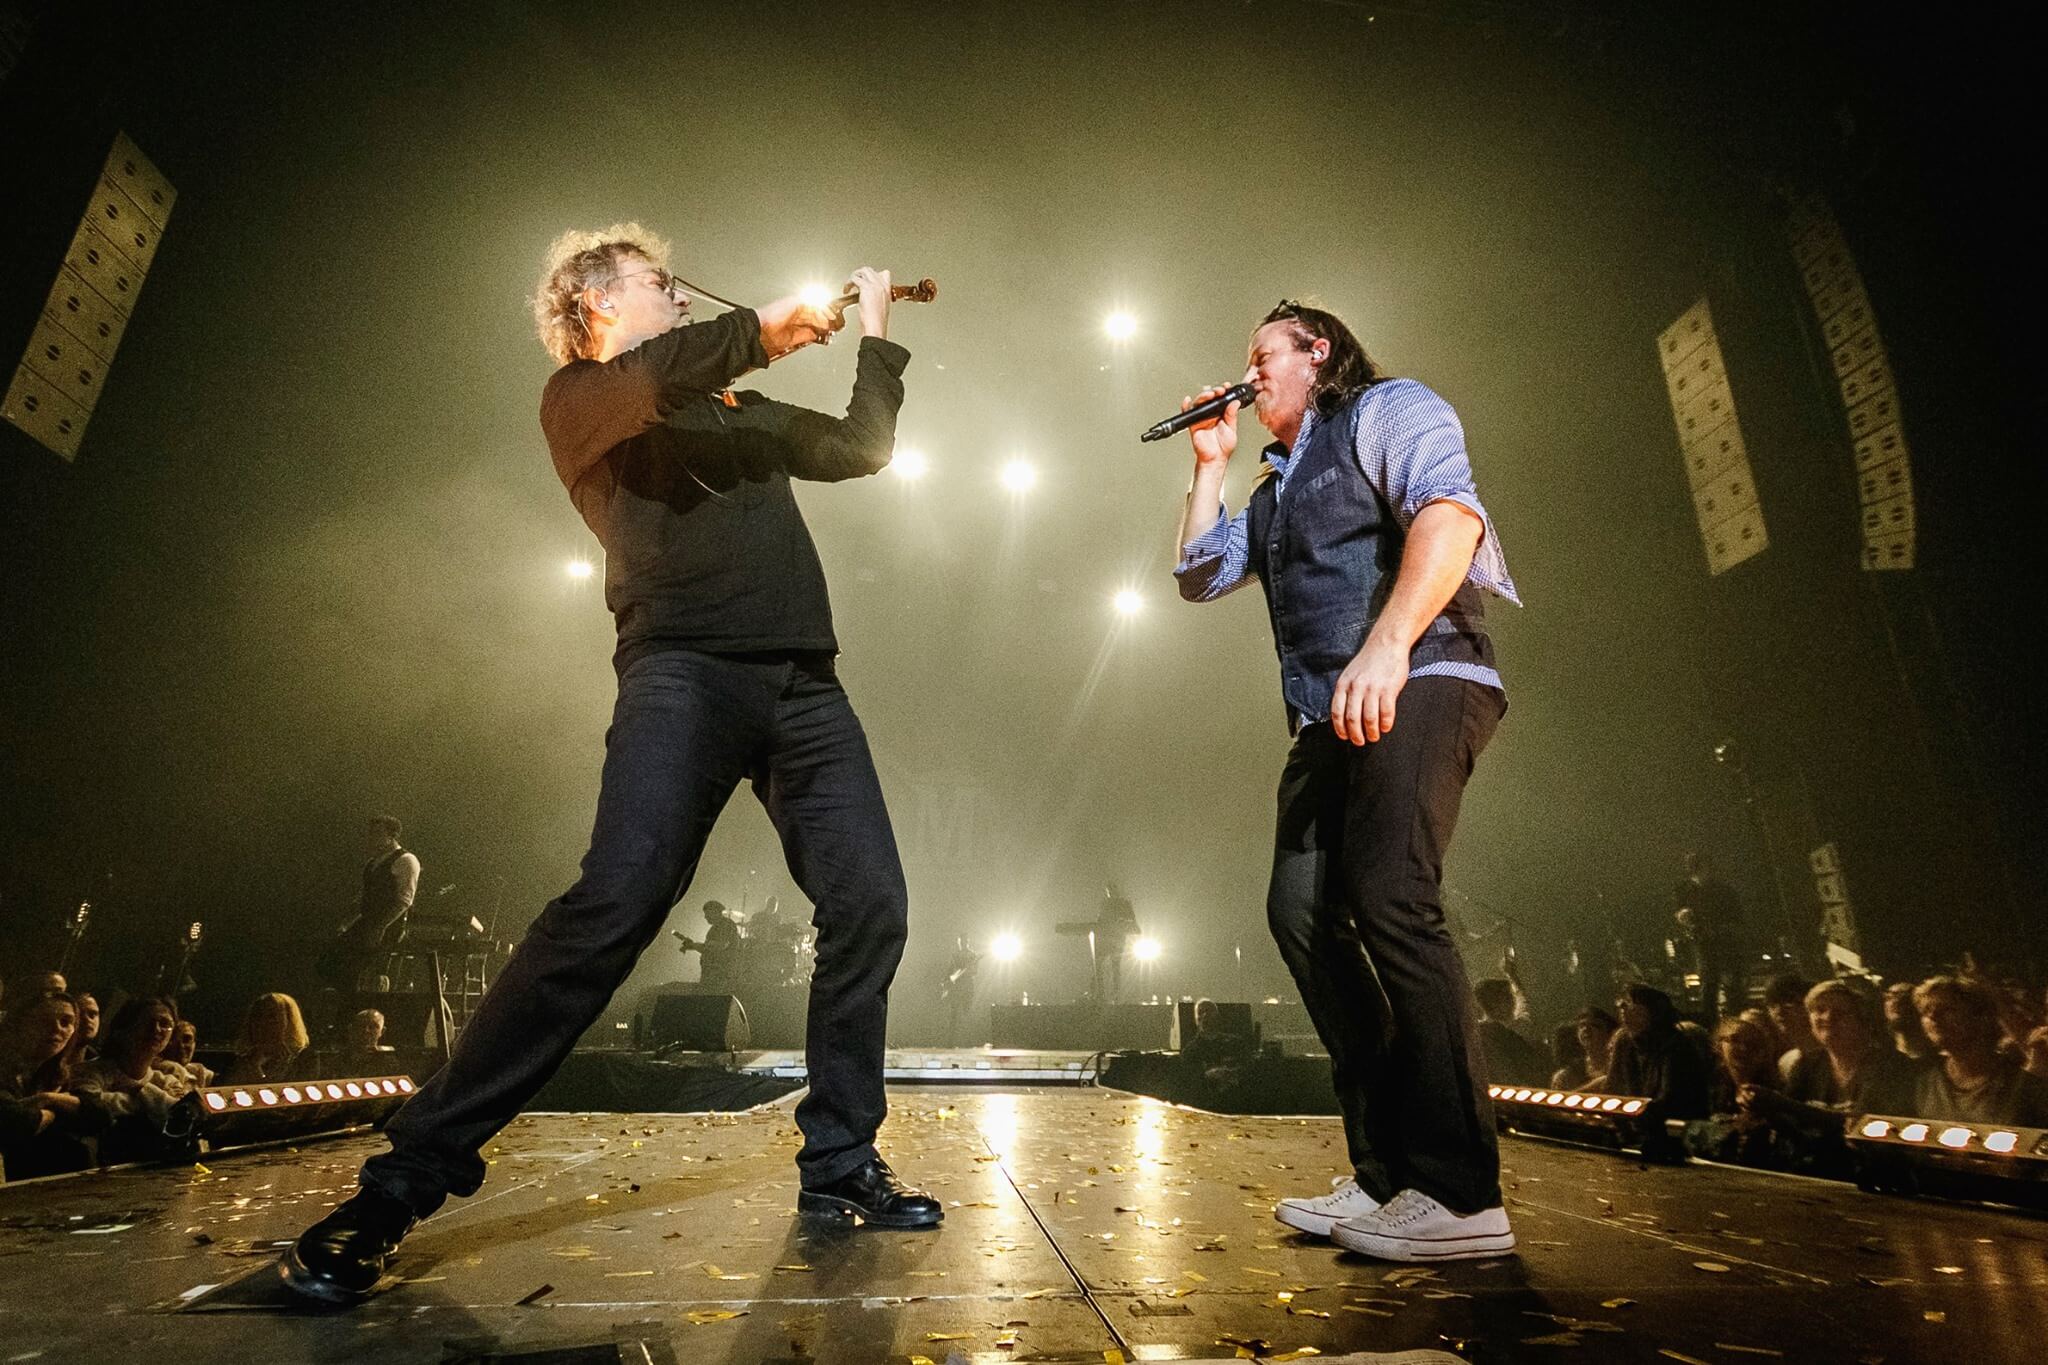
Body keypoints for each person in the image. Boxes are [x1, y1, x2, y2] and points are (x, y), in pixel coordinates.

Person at [280, 225, 935, 1306]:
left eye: (676, 285)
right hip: (682, 673)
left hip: (803, 685)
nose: (674, 296)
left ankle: (838, 1165)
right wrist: (765, 330)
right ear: (593, 311)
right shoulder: (580, 398)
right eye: (652, 284)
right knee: (613, 904)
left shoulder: (738, 411)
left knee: (870, 903)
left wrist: (871, 337)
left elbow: (863, 450)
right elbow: (675, 366)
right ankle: (397, 1187)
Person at [1176, 300, 1520, 1261]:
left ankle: (1461, 1192)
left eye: (1261, 355)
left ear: (1315, 352)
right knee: (1302, 915)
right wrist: (1208, 466)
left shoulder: (1387, 409)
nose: (1247, 373)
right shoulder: (1276, 485)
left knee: (1392, 900)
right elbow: (1198, 575)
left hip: (1424, 675)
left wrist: (1388, 644)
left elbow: (1450, 514)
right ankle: (1389, 1173)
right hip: (1333, 714)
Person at [1908, 976, 2048, 1126]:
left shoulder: (2017, 1081)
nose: (1933, 1016)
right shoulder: (1924, 1083)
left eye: (1947, 1009)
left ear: (1981, 1017)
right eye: (1925, 1010)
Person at [0, 992, 109, 1179]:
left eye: (66, 1022)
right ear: (19, 1024)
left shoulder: (57, 1075)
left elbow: (100, 1115)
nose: (56, 1029)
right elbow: (17, 1123)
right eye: (44, 1020)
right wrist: (56, 1111)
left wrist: (47, 1098)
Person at [72, 996, 189, 1161]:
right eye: (146, 1022)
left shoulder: (167, 1081)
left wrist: (138, 1089)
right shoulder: (87, 1073)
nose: (156, 1029)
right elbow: (91, 1107)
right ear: (122, 1029)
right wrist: (153, 1099)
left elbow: (180, 1117)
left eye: (165, 1024)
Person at [322, 817, 422, 993]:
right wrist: (347, 923)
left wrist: (381, 927)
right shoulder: (372, 863)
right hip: (368, 922)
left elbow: (404, 900)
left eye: (377, 834)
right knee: (330, 961)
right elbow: (364, 897)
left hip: (389, 926)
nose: (370, 838)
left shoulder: (406, 860)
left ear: (391, 837)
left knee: (355, 964)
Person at [1673, 851, 1746, 1022]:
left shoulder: (1723, 890)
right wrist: (1684, 917)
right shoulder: (1685, 889)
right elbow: (1679, 914)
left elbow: (1737, 918)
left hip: (1725, 941)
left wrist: (1723, 929)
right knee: (1709, 984)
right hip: (1703, 942)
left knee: (1730, 983)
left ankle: (1735, 1019)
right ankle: (1711, 1022)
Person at [1473, 978, 1548, 1087]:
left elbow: (1524, 1004)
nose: (1513, 1000)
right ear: (1493, 1003)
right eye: (1508, 996)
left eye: (1512, 995)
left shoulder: (1520, 1024)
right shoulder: (1483, 1034)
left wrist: (1513, 977)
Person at [226, 992, 309, 1085]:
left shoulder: (306, 1061)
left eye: (272, 1016)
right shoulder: (240, 1062)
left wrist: (256, 1069)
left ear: (289, 1021)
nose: (263, 1023)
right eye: (258, 1016)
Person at [1761, 973, 1817, 1081]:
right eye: (1772, 1005)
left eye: (1788, 1002)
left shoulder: (1835, 1057)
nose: (1779, 1011)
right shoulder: (1787, 1062)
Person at [942, 937, 981, 1046]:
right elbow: (950, 970)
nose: (962, 944)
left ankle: (969, 1041)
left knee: (967, 1012)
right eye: (961, 942)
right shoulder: (955, 955)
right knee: (954, 1014)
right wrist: (947, 980)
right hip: (957, 986)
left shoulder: (972, 955)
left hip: (967, 985)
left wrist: (964, 972)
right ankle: (951, 1042)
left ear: (967, 943)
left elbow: (974, 971)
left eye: (964, 942)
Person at [163, 1018, 214, 1089]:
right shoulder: (155, 1076)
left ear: (194, 1044)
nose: (181, 1046)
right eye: (173, 1040)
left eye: (187, 1040)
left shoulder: (201, 1073)